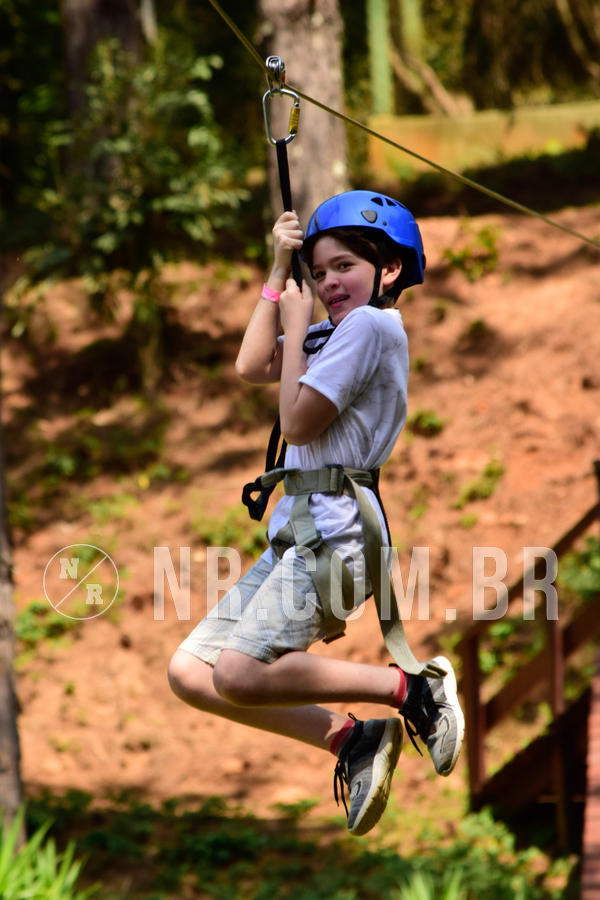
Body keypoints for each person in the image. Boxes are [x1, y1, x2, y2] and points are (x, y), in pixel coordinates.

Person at [168, 190, 464, 836]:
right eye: (321, 270)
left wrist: (298, 329)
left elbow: (297, 421)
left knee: (240, 673)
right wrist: (279, 276)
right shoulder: (335, 330)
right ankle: (353, 741)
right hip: (298, 535)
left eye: (345, 269)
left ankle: (412, 690)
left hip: (337, 537)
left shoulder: (372, 327)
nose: (329, 282)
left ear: (388, 272)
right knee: (192, 673)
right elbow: (250, 365)